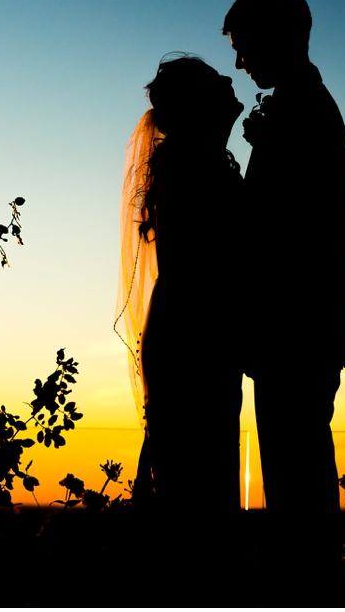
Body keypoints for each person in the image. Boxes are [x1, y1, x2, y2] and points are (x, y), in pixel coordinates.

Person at [223, 0, 345, 597]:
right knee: (296, 472)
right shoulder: (301, 105)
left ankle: (307, 595)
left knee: (296, 477)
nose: (239, 61)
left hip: (294, 328)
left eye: (244, 45)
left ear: (277, 37)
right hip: (298, 328)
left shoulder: (302, 113)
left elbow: (281, 226)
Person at [115, 52, 245, 588]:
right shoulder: (196, 168)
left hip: (194, 329)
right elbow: (213, 260)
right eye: (216, 92)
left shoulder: (197, 161)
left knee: (197, 469)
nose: (231, 91)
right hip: (194, 335)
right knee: (195, 475)